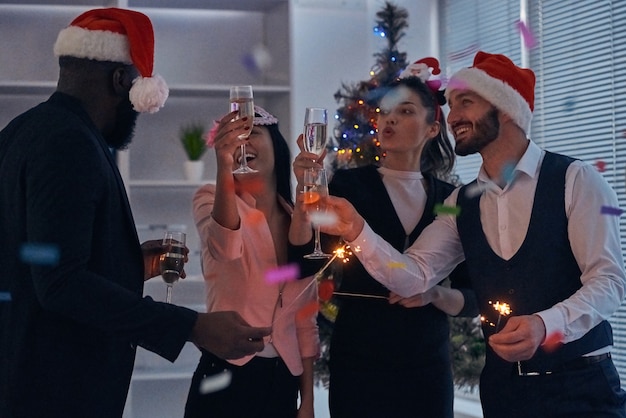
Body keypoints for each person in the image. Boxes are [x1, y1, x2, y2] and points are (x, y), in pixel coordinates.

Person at [317, 51, 626, 417]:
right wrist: (357, 229)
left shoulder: (576, 180)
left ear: (506, 108)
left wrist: (546, 324)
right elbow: (411, 277)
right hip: (503, 393)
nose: (453, 116)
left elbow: (609, 282)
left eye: (466, 102)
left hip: (580, 387)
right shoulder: (459, 203)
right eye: (450, 105)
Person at [0, 8, 270, 418]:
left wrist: (127, 263)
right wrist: (194, 327)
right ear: (122, 81)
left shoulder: (23, 131)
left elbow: (37, 254)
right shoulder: (70, 144)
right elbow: (60, 284)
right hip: (55, 388)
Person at [291, 58, 477, 418]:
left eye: (405, 111)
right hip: (359, 362)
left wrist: (435, 293)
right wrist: (304, 194)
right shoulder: (348, 187)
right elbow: (304, 262)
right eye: (384, 112)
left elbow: (473, 296)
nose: (388, 119)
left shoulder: (450, 200)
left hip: (427, 368)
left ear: (432, 127)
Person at [184, 105, 320, 418]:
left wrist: (308, 401)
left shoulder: (297, 221)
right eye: (235, 137)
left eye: (253, 133)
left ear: (277, 145)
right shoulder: (209, 198)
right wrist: (223, 164)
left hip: (282, 380)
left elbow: (305, 318)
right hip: (224, 373)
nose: (243, 143)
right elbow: (227, 248)